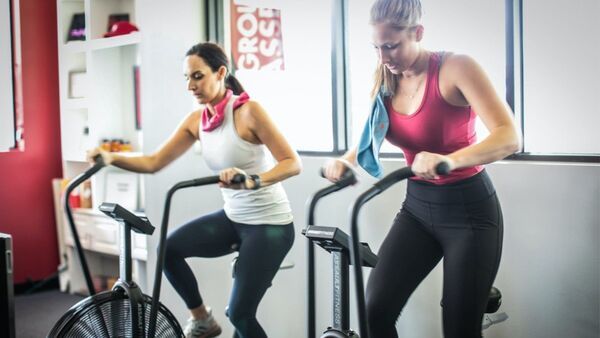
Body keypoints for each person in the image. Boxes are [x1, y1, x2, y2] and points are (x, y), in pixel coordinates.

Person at [323, 0, 519, 337]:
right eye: (377, 47)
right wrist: (346, 160)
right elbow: (374, 130)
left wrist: (449, 160)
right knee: (374, 312)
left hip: (469, 213)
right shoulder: (387, 76)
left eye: (391, 46)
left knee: (458, 328)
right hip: (417, 210)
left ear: (418, 32)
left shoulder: (456, 67)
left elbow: (509, 136)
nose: (384, 57)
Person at [87, 42, 301, 338]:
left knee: (239, 313)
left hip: (269, 226)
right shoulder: (196, 122)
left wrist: (253, 180)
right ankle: (202, 320)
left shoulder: (249, 112)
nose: (190, 85)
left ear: (221, 72)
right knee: (168, 250)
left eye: (197, 76)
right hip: (233, 219)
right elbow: (153, 162)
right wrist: (111, 158)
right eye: (186, 78)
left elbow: (292, 163)